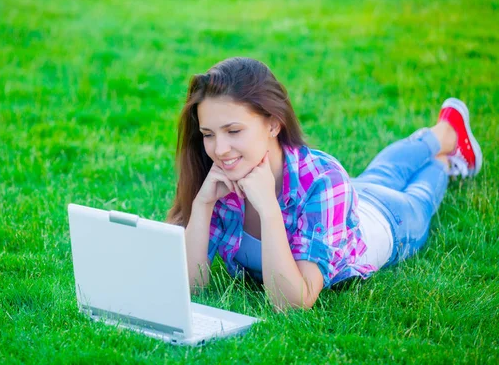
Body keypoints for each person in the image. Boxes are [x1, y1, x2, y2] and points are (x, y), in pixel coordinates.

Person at [166, 57, 483, 312]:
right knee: (382, 173)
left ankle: (445, 146)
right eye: (208, 134)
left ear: (273, 124)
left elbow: (292, 302)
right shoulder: (222, 177)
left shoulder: (323, 178)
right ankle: (445, 135)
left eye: (233, 131)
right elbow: (190, 285)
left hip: (386, 222)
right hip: (347, 201)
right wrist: (203, 204)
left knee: (419, 194)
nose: (219, 149)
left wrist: (268, 209)